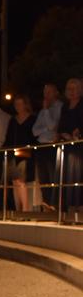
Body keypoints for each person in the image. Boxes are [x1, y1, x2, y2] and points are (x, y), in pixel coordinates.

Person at [5, 93, 38, 213]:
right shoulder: (13, 120)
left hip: (26, 152)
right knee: (14, 180)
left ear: (25, 105)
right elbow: (8, 137)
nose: (17, 106)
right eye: (16, 104)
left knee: (21, 180)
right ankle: (18, 208)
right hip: (13, 153)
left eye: (20, 104)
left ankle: (25, 209)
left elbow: (34, 136)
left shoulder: (32, 119)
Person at [32, 83, 62, 208]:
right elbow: (34, 130)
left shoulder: (59, 107)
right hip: (41, 145)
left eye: (49, 92)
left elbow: (52, 126)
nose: (46, 95)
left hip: (52, 145)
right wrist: (45, 128)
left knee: (52, 175)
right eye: (45, 92)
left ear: (56, 93)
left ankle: (54, 203)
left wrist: (45, 110)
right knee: (43, 176)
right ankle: (46, 202)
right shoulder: (43, 111)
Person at [57, 77, 83, 211]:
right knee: (68, 175)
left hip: (80, 147)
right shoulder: (65, 106)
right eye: (69, 89)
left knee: (79, 174)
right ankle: (70, 206)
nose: (72, 92)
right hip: (67, 146)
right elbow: (61, 125)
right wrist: (64, 134)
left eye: (75, 89)